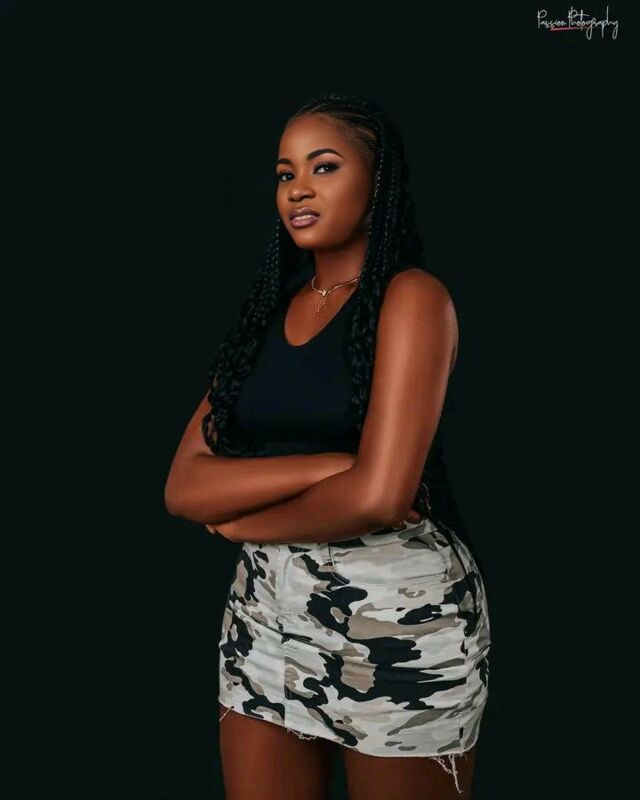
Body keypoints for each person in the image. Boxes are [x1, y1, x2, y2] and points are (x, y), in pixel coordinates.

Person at [164, 93, 491, 800]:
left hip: (396, 621)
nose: (298, 189)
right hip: (266, 614)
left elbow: (379, 499)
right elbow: (185, 485)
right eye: (285, 174)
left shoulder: (412, 298)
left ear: (377, 181)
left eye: (324, 167)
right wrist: (331, 466)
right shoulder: (267, 313)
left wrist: (244, 523)